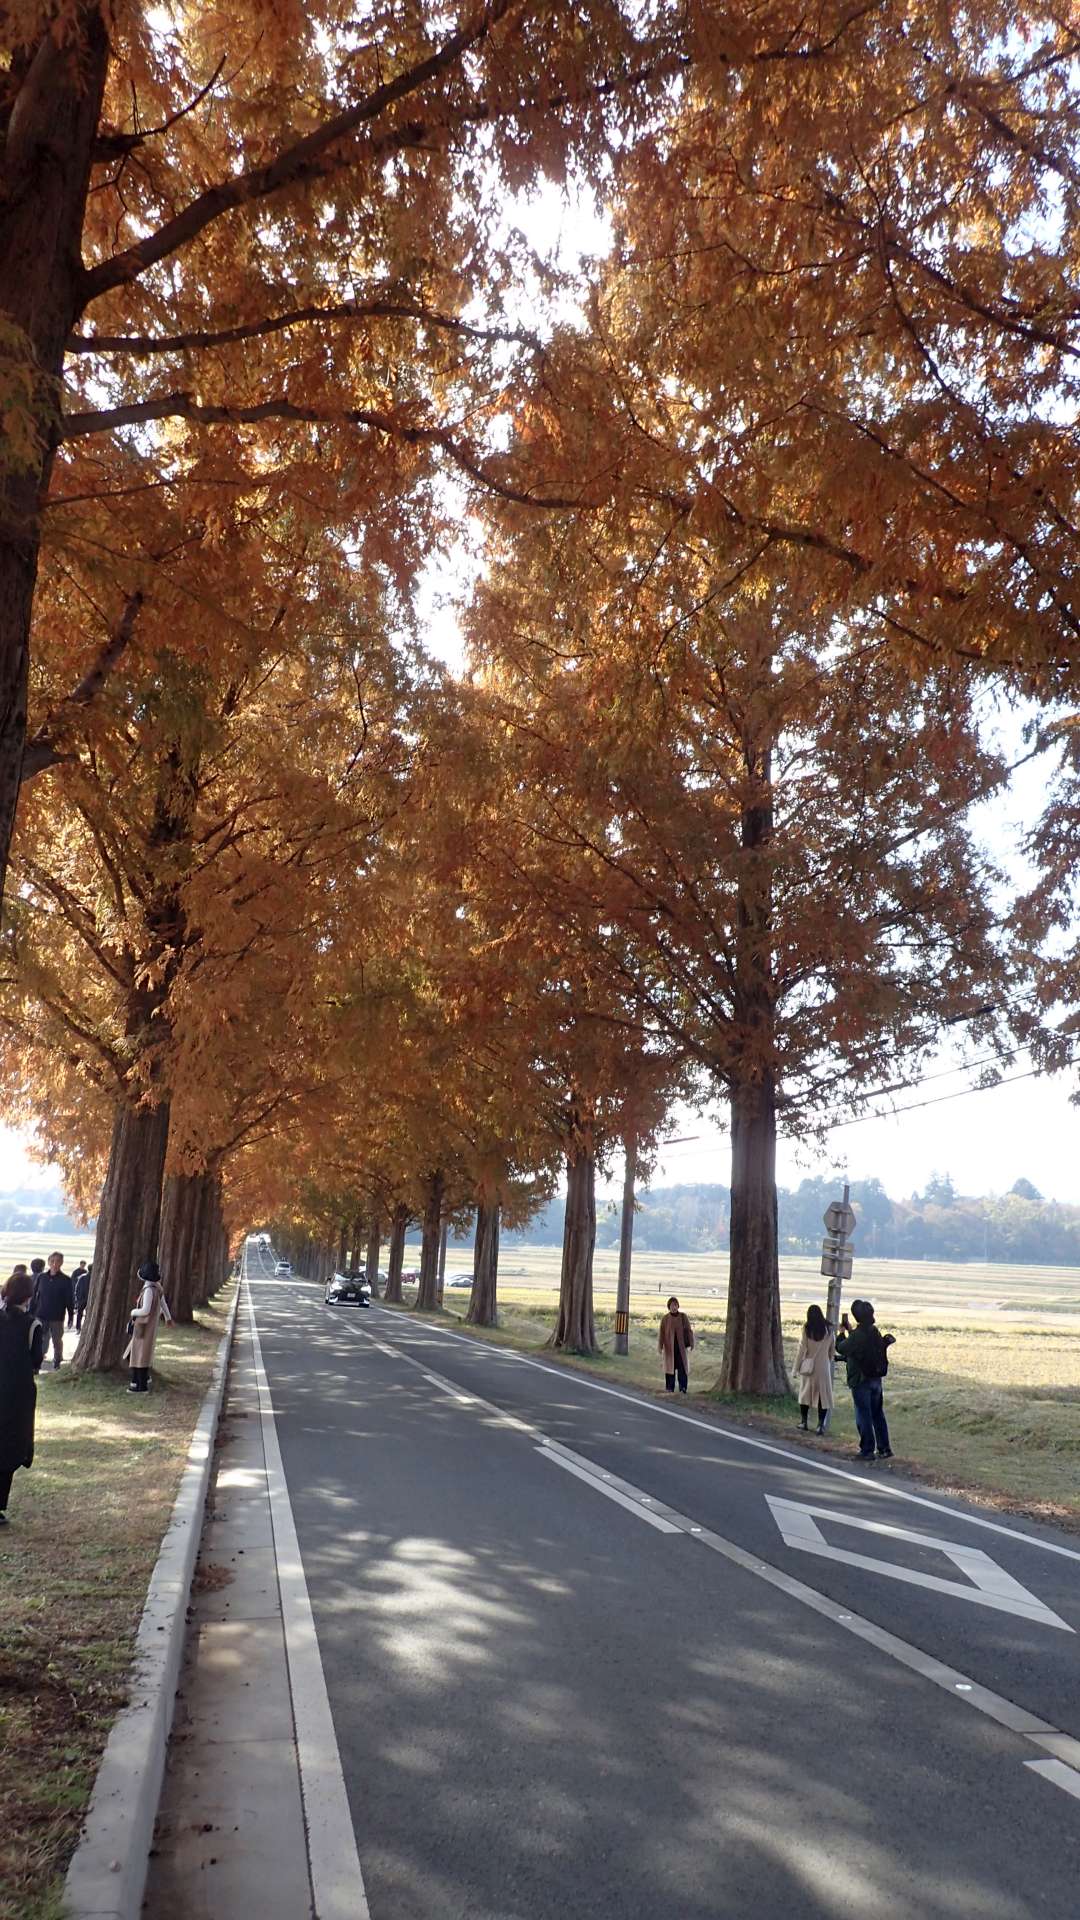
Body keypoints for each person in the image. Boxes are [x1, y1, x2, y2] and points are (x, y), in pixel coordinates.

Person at [0, 1271, 44, 1526]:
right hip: (17, 1393)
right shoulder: (32, 1325)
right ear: (28, 1296)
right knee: (9, 1446)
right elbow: (36, 1360)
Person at [835, 1298, 895, 1461]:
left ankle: (867, 1450)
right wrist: (851, 1331)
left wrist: (841, 1333)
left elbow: (841, 1348)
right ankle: (884, 1448)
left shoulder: (858, 1335)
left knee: (863, 1415)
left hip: (861, 1380)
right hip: (876, 1378)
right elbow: (860, 1344)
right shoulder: (874, 1331)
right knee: (877, 1414)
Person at [123, 1260, 172, 1393]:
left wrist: (133, 1312)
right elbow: (163, 1303)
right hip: (148, 1326)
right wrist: (168, 1317)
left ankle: (141, 1385)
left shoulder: (149, 1290)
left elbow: (145, 1310)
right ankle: (137, 1381)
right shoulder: (157, 1288)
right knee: (135, 1353)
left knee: (140, 1355)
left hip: (144, 1326)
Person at [793, 1304, 835, 1435]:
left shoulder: (807, 1329)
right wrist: (828, 1359)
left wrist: (796, 1368)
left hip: (809, 1367)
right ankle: (820, 1425)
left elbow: (801, 1350)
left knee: (805, 1394)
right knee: (823, 1397)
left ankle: (804, 1422)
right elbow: (832, 1350)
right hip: (823, 1367)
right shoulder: (829, 1329)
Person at [31, 1252, 74, 1370]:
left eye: (58, 1261)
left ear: (62, 1263)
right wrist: (31, 1312)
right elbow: (34, 1296)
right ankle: (37, 1363)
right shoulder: (41, 1277)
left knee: (57, 1341)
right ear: (49, 1262)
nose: (55, 1264)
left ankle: (57, 1362)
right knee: (40, 1340)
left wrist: (71, 1316)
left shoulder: (66, 1280)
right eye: (52, 1261)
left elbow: (69, 1299)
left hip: (57, 1317)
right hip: (41, 1315)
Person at [658, 1296, 695, 1394]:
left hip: (681, 1349)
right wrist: (660, 1346)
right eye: (671, 1305)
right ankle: (669, 1388)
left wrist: (692, 1343)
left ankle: (683, 1388)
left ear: (678, 1306)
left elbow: (689, 1331)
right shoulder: (665, 1319)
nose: (674, 1307)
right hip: (670, 1349)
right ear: (668, 1307)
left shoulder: (683, 1317)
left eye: (675, 1305)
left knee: (682, 1369)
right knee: (670, 1369)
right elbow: (661, 1333)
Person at [72, 1261, 91, 1331]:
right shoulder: (78, 1273)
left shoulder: (82, 1276)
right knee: (84, 1313)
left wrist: (77, 1297)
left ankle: (79, 1327)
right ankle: (81, 1327)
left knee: (80, 1313)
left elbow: (76, 1288)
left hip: (82, 1298)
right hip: (86, 1298)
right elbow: (75, 1285)